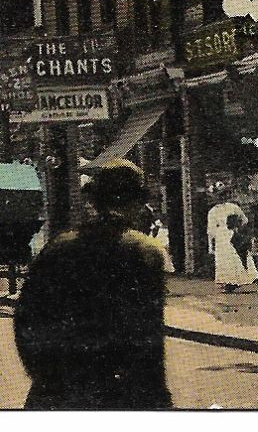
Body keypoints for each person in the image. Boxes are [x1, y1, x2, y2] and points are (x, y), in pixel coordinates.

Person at [13, 159, 171, 409]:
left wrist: (46, 377)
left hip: (56, 392)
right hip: (115, 393)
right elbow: (147, 338)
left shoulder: (57, 247)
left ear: (96, 201)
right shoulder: (143, 251)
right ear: (137, 203)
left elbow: (25, 321)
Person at [207, 195, 258, 291]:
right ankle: (229, 281)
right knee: (226, 258)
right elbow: (211, 230)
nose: (220, 198)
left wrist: (237, 227)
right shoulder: (215, 211)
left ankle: (234, 281)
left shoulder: (231, 207)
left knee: (231, 256)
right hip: (223, 235)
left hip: (226, 234)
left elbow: (244, 219)